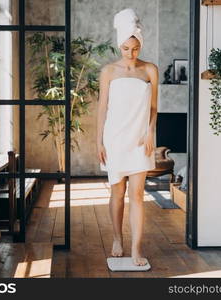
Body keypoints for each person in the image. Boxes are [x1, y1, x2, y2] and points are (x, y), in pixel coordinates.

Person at [96, 8, 158, 266]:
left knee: (138, 193)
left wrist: (151, 131)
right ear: (119, 45)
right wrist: (98, 141)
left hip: (140, 139)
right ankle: (117, 238)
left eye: (135, 48)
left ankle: (136, 248)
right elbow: (102, 108)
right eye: (125, 49)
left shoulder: (150, 70)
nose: (130, 54)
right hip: (114, 138)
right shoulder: (109, 71)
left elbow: (154, 107)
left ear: (140, 45)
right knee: (117, 193)